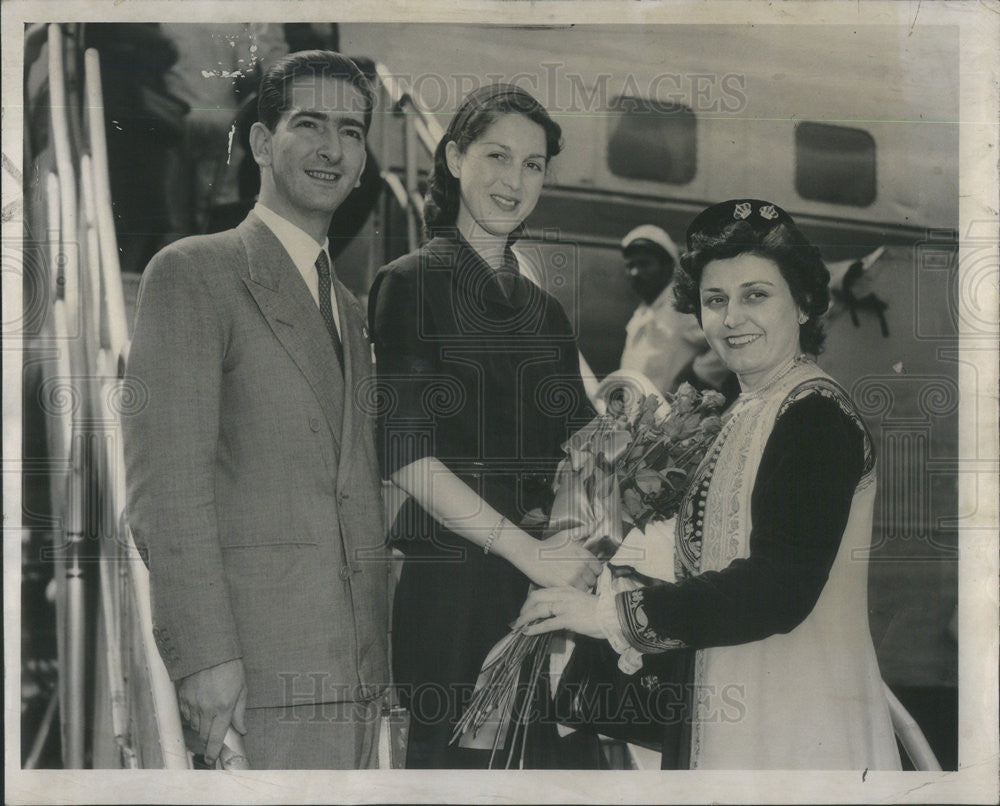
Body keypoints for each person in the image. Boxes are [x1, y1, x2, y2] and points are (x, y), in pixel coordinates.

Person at [515, 199, 902, 770]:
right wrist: (597, 545)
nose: (732, 318)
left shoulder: (814, 415)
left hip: (798, 726)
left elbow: (776, 589)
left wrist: (609, 617)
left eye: (756, 295)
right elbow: (716, 546)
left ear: (804, 304)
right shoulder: (750, 408)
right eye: (715, 300)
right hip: (736, 706)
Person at [123, 51, 389, 769]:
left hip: (355, 683)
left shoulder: (351, 310)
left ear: (364, 162)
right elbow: (165, 493)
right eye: (309, 124)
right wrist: (205, 659)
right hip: (255, 683)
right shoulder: (193, 273)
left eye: (352, 131)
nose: (333, 149)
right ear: (263, 144)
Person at [368, 84, 603, 769]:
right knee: (458, 770)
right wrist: (531, 554)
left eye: (533, 165)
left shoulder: (544, 311)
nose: (514, 180)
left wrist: (572, 536)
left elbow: (583, 447)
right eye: (497, 156)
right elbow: (406, 452)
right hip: (457, 581)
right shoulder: (411, 281)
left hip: (541, 584)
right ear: (452, 157)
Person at [618, 224, 736, 403]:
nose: (635, 272)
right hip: (638, 421)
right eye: (630, 265)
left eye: (644, 264)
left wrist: (698, 375)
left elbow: (729, 337)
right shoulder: (642, 313)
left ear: (666, 266)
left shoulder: (681, 305)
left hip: (670, 422)